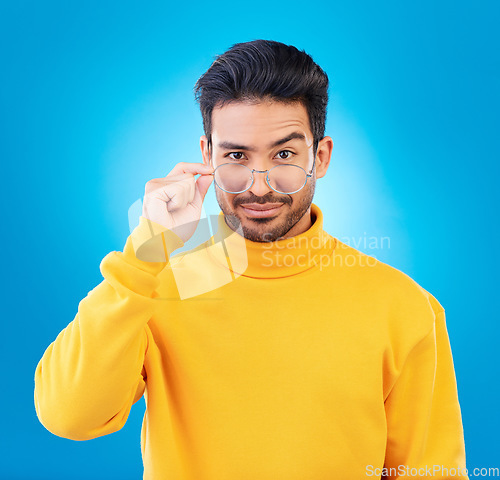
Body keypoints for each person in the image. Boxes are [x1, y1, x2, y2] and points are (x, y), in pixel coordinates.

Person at [34, 39, 468, 479]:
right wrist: (144, 255)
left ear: (320, 157)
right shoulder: (154, 286)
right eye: (237, 156)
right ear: (208, 157)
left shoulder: (404, 307)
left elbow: (430, 472)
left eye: (283, 155)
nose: (259, 187)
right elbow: (68, 415)